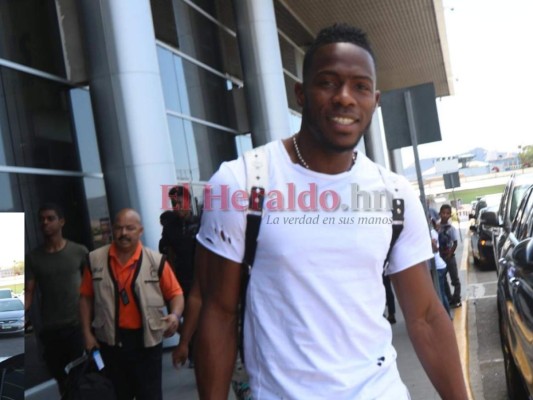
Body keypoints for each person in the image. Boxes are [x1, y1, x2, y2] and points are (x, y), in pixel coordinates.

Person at [194, 23, 468, 399]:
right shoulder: (241, 182)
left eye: (360, 86)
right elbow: (218, 314)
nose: (344, 98)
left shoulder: (394, 195)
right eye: (328, 82)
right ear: (301, 94)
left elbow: (424, 316)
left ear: (376, 99)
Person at [79, 208, 184, 400]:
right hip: (111, 343)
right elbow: (86, 297)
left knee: (150, 396)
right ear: (112, 230)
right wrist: (86, 333)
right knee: (118, 395)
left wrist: (175, 315)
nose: (124, 233)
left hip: (147, 344)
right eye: (119, 228)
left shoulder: (155, 261)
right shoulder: (95, 260)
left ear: (140, 230)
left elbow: (176, 294)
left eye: (130, 228)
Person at [25, 203, 88, 395]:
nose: (45, 223)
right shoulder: (34, 258)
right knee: (62, 381)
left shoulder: (79, 252)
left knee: (79, 379)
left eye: (50, 218)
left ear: (61, 221)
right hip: (51, 330)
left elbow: (91, 290)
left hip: (77, 327)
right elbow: (28, 292)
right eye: (42, 219)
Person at [438, 204, 462, 308]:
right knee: (443, 280)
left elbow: (455, 243)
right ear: (440, 214)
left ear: (450, 216)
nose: (445, 215)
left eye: (447, 213)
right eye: (443, 213)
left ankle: (456, 298)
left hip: (450, 257)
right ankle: (449, 298)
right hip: (440, 258)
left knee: (455, 279)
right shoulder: (437, 227)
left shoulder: (451, 229)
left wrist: (450, 254)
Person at [430, 219, 451, 317]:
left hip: (438, 267)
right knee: (441, 293)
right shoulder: (432, 232)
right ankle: (447, 315)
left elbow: (435, 248)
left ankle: (447, 316)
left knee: (441, 294)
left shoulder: (431, 233)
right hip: (439, 266)